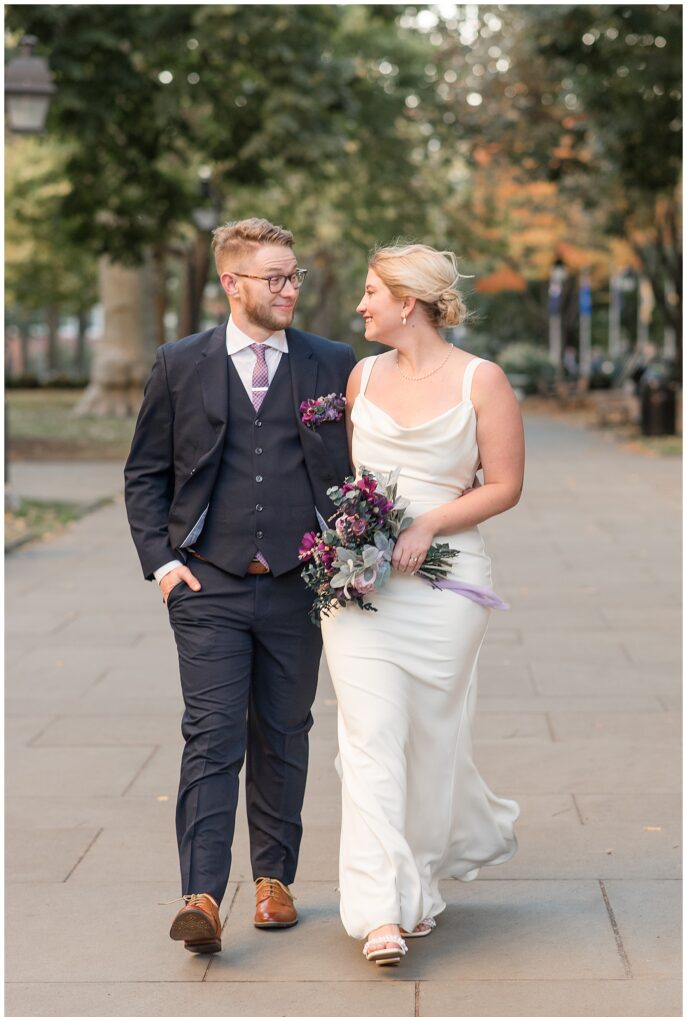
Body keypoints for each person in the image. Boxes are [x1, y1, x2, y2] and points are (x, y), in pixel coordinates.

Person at [124, 217, 356, 954]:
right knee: (212, 735)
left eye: (294, 277)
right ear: (232, 282)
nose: (289, 289)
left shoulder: (331, 362)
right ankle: (200, 895)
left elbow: (358, 469)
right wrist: (164, 566)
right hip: (209, 585)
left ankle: (273, 882)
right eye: (275, 278)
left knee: (284, 734)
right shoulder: (180, 362)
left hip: (298, 584)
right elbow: (145, 473)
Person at [321, 243, 523, 965]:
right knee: (369, 735)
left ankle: (420, 884)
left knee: (433, 741)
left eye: (371, 292)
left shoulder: (482, 380)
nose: (360, 305)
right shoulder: (360, 375)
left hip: (446, 583)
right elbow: (344, 477)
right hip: (362, 587)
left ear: (408, 302)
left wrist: (429, 523)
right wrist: (348, 540)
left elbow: (502, 485)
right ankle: (378, 910)